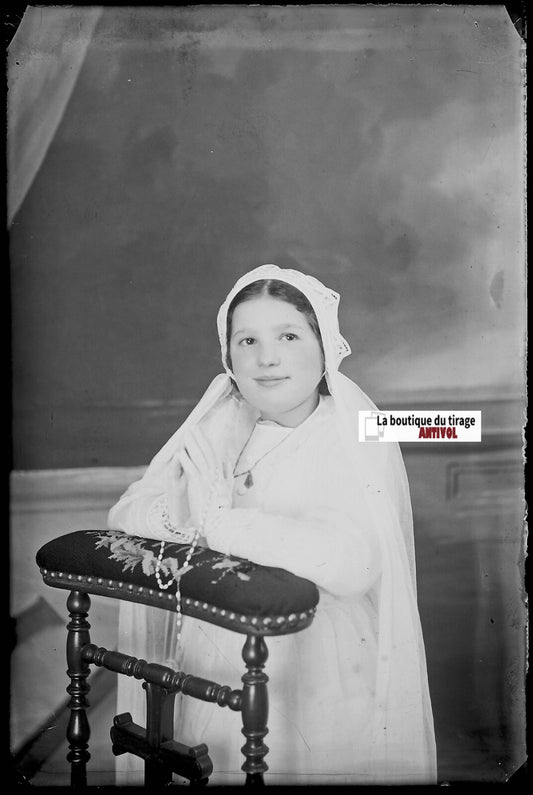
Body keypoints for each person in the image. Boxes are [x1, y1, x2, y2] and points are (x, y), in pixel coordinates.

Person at [108, 264, 437, 785]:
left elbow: (352, 562)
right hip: (216, 656)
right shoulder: (220, 423)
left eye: (288, 336)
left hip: (317, 661)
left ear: (324, 348)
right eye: (247, 341)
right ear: (228, 356)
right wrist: (187, 512)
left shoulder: (351, 433)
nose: (267, 358)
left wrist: (222, 523)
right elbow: (128, 512)